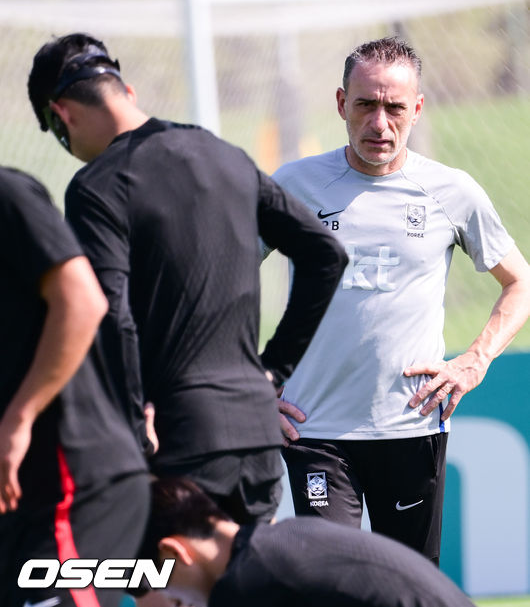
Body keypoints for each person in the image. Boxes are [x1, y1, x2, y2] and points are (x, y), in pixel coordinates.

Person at [27, 33, 348, 525]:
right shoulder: (225, 156)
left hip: (176, 442)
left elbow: (113, 315)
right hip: (256, 437)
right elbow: (325, 253)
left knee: (171, 597)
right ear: (125, 91)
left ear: (62, 114)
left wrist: (134, 423)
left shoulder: (97, 186)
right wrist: (273, 370)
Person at [272, 37, 530, 564]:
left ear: (417, 108)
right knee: (329, 585)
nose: (379, 123)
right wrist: (246, 383)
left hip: (411, 424)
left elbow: (520, 282)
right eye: (366, 105)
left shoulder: (451, 191)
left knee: (409, 586)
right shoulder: (292, 185)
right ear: (342, 103)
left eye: (394, 108)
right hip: (312, 429)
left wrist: (474, 360)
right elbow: (220, 279)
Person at [0, 166, 149, 607]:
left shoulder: (7, 194)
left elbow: (83, 301)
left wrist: (19, 417)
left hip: (73, 489)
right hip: (18, 506)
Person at [139, 475, 478, 607]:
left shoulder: (246, 585)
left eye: (167, 589)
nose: (177, 602)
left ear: (174, 551)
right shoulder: (288, 536)